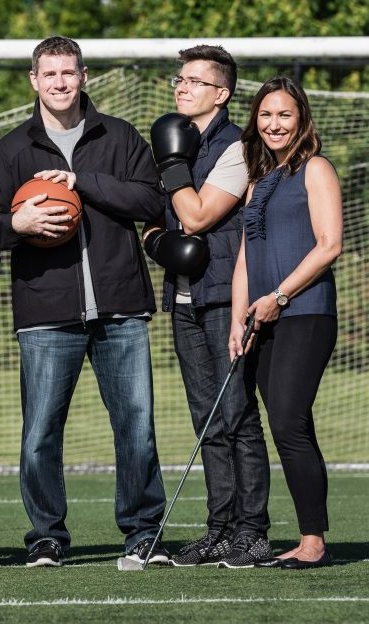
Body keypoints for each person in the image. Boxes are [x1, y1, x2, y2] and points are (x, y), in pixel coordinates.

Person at [0, 36, 167, 568]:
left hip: (120, 307)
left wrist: (83, 183)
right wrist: (18, 224)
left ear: (84, 76)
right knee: (40, 433)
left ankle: (142, 532)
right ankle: (46, 536)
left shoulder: (119, 135)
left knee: (136, 426)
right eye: (49, 74)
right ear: (34, 81)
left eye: (68, 72)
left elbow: (152, 199)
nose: (59, 83)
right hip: (45, 311)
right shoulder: (13, 149)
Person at [142, 45, 272, 568]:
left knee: (238, 414)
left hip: (225, 297)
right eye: (180, 79)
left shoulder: (239, 145)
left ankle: (252, 530)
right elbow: (156, 223)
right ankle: (220, 528)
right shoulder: (179, 142)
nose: (182, 87)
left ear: (221, 93)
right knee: (207, 420)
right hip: (183, 296)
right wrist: (154, 240)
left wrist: (172, 168)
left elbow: (195, 218)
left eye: (195, 81)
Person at [230, 76, 342, 570]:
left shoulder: (315, 169)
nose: (274, 124)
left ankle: (313, 542)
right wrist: (238, 318)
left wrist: (278, 295)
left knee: (288, 422)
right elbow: (244, 256)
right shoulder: (258, 179)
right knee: (288, 427)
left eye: (284, 115)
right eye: (265, 115)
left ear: (301, 120)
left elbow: (329, 244)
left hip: (306, 312)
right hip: (264, 318)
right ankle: (307, 533)